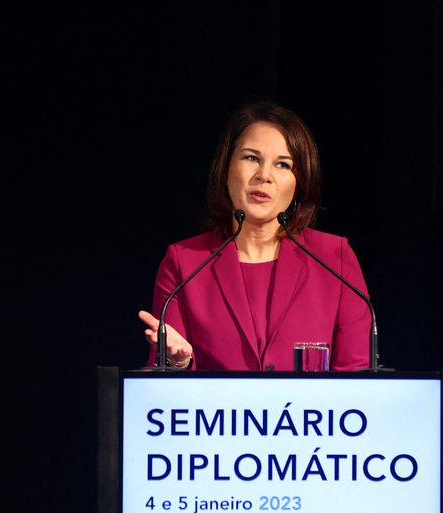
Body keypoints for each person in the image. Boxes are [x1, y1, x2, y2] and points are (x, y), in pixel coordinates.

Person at [138, 102, 371, 371]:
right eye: (251, 158)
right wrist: (178, 363)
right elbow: (163, 388)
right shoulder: (184, 262)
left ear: (300, 183)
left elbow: (356, 376)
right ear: (225, 169)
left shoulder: (334, 258)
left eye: (282, 164)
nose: (264, 176)